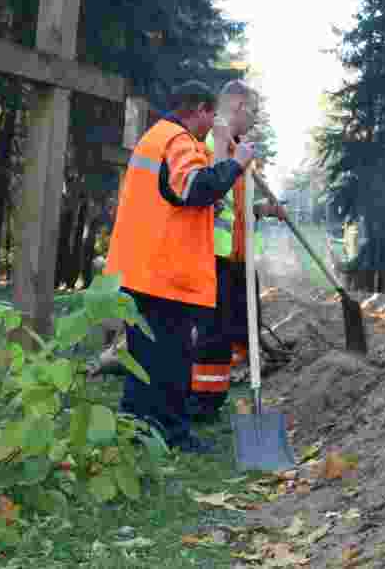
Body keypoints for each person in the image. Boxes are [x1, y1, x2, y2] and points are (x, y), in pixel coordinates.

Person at [104, 81, 255, 453]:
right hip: (161, 274)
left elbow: (180, 197)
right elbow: (193, 189)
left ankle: (135, 429)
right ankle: (171, 434)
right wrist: (236, 163)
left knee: (146, 359)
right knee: (170, 361)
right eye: (209, 117)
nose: (210, 126)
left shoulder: (157, 137)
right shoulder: (177, 140)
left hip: (142, 268)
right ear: (200, 110)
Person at [186, 81, 286, 422]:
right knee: (212, 334)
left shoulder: (238, 147)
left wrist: (263, 208)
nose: (255, 119)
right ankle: (201, 404)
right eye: (254, 111)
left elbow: (236, 204)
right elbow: (212, 189)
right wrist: (227, 154)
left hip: (238, 259)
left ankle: (216, 396)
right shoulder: (215, 141)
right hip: (214, 256)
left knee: (240, 328)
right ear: (239, 105)